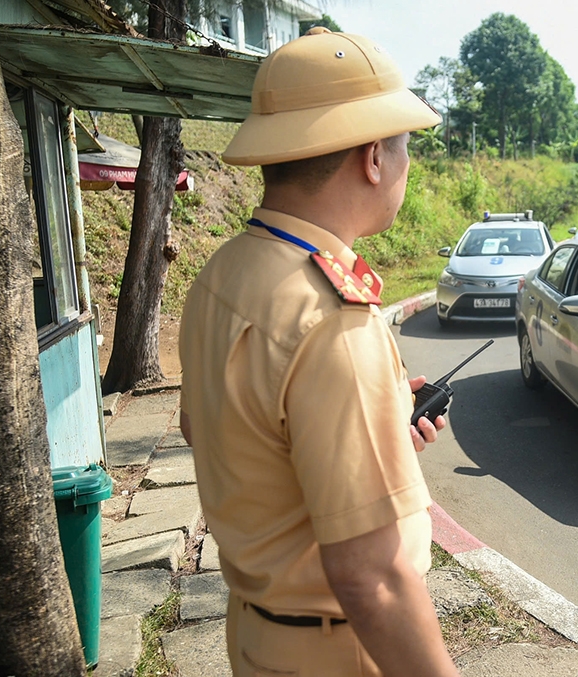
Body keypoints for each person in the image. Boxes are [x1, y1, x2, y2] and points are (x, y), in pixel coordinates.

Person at [177, 28, 459, 677]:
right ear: (373, 159)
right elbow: (374, 578)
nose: (406, 165)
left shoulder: (221, 276)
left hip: (255, 634)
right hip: (338, 650)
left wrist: (370, 443)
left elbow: (214, 429)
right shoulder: (331, 320)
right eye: (404, 147)